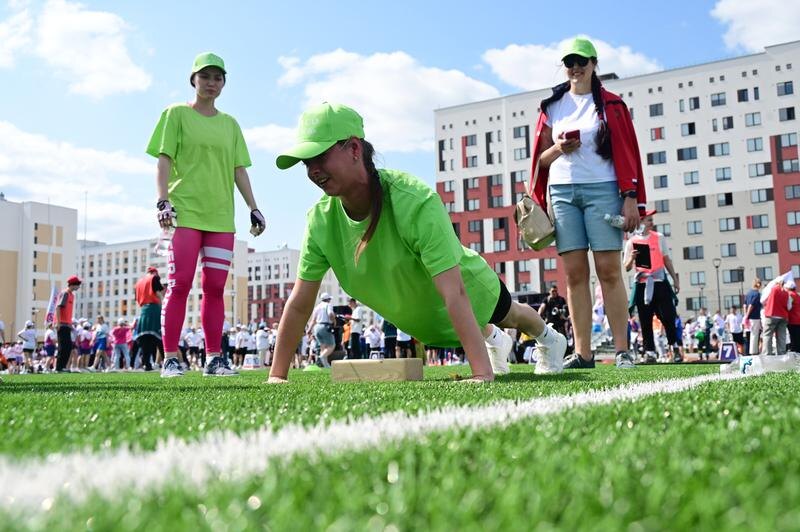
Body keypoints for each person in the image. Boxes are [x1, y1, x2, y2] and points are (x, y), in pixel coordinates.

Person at [267, 102, 566, 383]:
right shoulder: (320, 221)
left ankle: (549, 338)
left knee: (510, 314)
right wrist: (277, 377)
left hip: (474, 295)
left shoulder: (414, 200)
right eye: (307, 163)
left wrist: (480, 373)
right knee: (478, 326)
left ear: (354, 148)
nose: (312, 170)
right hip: (427, 320)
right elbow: (299, 304)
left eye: (320, 157)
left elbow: (455, 291)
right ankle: (493, 340)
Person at [146, 52, 265, 378]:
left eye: (218, 77)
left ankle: (215, 359)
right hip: (184, 213)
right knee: (180, 283)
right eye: (206, 76)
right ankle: (170, 358)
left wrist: (253, 207)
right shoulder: (176, 114)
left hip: (221, 218)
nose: (212, 83)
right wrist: (162, 201)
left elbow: (239, 169)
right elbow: (164, 160)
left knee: (215, 287)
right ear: (193, 79)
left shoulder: (230, 124)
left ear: (224, 83)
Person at [528, 37, 645, 370]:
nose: (575, 68)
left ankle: (623, 350)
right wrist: (559, 150)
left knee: (609, 270)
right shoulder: (552, 106)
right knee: (575, 274)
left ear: (594, 63)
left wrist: (630, 198)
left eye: (581, 61)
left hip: (604, 191)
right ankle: (583, 354)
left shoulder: (612, 104)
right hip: (564, 193)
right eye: (569, 62)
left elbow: (627, 153)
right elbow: (542, 160)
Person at [623, 209, 680, 363]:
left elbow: (666, 259)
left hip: (660, 282)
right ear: (640, 221)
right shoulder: (631, 242)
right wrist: (633, 258)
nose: (651, 222)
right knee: (645, 319)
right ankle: (650, 352)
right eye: (648, 220)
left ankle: (674, 347)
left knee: (668, 316)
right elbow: (627, 267)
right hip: (642, 284)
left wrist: (675, 279)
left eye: (651, 219)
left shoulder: (659, 238)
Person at [134, 266, 164, 371]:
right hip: (154, 308)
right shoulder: (154, 278)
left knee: (145, 338)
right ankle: (167, 361)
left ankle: (147, 364)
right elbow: (158, 293)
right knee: (160, 336)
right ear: (155, 272)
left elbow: (137, 300)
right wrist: (163, 307)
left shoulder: (138, 283)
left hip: (143, 310)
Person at [54, 276, 81, 372]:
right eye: (78, 284)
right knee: (63, 346)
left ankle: (63, 367)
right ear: (73, 284)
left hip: (67, 324)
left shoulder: (71, 295)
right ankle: (59, 368)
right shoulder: (65, 293)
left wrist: (69, 323)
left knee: (68, 346)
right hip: (61, 324)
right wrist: (58, 322)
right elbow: (58, 307)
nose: (79, 286)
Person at [761, 279, 790, 356]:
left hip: (771, 314)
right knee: (781, 336)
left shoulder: (771, 289)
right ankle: (782, 354)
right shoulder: (786, 292)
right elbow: (789, 306)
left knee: (767, 335)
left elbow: (762, 300)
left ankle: (767, 354)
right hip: (783, 316)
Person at [309, 293, 336, 368]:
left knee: (322, 346)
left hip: (317, 327)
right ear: (328, 299)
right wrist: (334, 321)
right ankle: (321, 357)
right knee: (331, 345)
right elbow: (330, 314)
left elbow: (313, 320)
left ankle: (325, 365)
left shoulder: (317, 307)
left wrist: (309, 329)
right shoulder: (328, 305)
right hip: (325, 326)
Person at [743, 278, 763, 355]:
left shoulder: (748, 293)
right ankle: (754, 352)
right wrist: (747, 315)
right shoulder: (757, 294)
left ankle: (748, 352)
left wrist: (745, 316)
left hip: (748, 318)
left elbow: (745, 305)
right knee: (754, 335)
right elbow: (751, 305)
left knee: (749, 335)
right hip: (754, 317)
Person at [786, 281, 800, 352]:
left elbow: (788, 307)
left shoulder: (789, 295)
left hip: (792, 319)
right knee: (798, 338)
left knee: (793, 337)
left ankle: (795, 352)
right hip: (798, 319)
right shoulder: (797, 295)